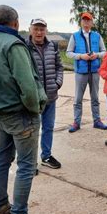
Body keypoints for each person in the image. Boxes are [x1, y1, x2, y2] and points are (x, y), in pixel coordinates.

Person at [0, 5, 47, 214]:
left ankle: (1, 208)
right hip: (20, 115)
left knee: (2, 159)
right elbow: (28, 87)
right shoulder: (14, 45)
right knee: (26, 166)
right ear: (15, 23)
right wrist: (36, 109)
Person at [26, 18, 64, 169]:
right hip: (34, 99)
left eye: (42, 29)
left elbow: (59, 67)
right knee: (32, 130)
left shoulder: (52, 46)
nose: (39, 32)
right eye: (36, 29)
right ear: (30, 30)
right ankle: (30, 162)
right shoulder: (24, 47)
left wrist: (57, 83)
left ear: (46, 31)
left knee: (48, 127)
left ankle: (46, 156)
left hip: (51, 96)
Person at [66, 12, 107, 132]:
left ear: (92, 22)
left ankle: (97, 121)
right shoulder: (74, 36)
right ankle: (76, 122)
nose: (86, 23)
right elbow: (68, 53)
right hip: (81, 72)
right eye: (84, 20)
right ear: (81, 22)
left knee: (95, 98)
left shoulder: (97, 36)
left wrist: (97, 55)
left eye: (88, 20)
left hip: (95, 71)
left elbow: (104, 51)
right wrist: (80, 56)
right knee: (78, 99)